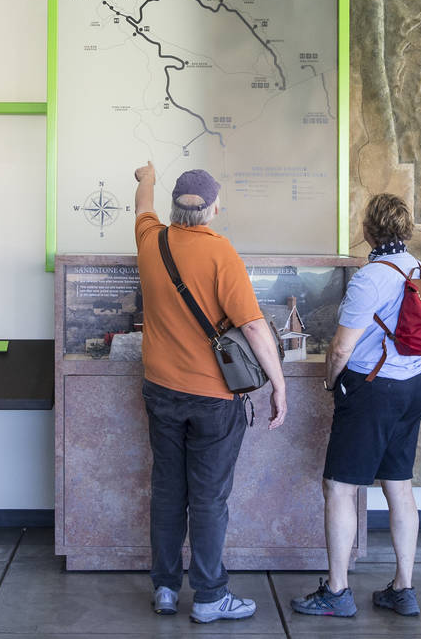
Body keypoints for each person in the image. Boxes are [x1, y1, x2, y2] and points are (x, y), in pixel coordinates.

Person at [133, 161, 288, 623]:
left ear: (174, 208)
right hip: (214, 400)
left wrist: (147, 177)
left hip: (160, 390)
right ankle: (208, 597)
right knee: (208, 498)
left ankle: (164, 588)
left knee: (166, 491)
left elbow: (141, 204)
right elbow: (255, 328)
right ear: (214, 208)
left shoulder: (150, 239)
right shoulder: (222, 253)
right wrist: (278, 386)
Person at [290, 193, 421, 619]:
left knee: (340, 487)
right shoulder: (419, 269)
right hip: (414, 387)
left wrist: (331, 383)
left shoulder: (370, 277)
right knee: (399, 485)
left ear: (368, 229)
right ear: (404, 229)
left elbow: (340, 349)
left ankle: (337, 591)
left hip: (373, 391)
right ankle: (403, 589)